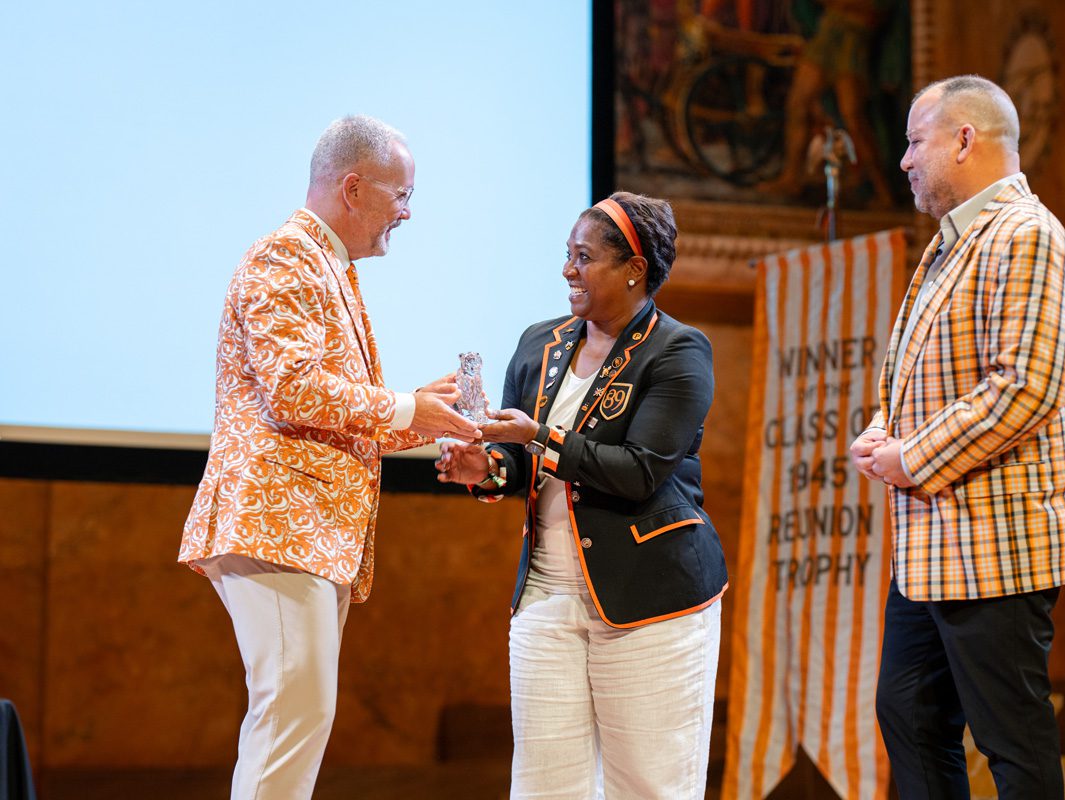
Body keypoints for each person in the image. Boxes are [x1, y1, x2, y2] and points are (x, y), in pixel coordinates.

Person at [178, 115, 480, 799]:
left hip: (306, 533)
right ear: (353, 187)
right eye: (402, 194)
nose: (407, 212)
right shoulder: (285, 256)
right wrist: (406, 408)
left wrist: (425, 413)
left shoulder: (327, 264)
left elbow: (331, 414)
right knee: (292, 716)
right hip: (279, 524)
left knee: (297, 716)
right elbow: (292, 390)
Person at [436, 192, 728, 799]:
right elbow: (520, 463)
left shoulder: (678, 351)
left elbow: (640, 471)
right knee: (544, 788)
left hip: (651, 601)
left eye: (584, 257)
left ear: (634, 269)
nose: (568, 269)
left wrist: (539, 437)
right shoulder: (538, 343)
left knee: (650, 788)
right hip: (546, 598)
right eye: (568, 254)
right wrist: (485, 468)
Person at [849, 75, 1065, 799]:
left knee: (1010, 743)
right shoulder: (950, 245)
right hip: (932, 546)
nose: (903, 161)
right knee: (910, 715)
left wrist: (909, 457)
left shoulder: (1027, 235)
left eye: (914, 142)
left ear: (964, 140)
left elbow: (1025, 387)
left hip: (997, 543)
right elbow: (916, 370)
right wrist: (881, 431)